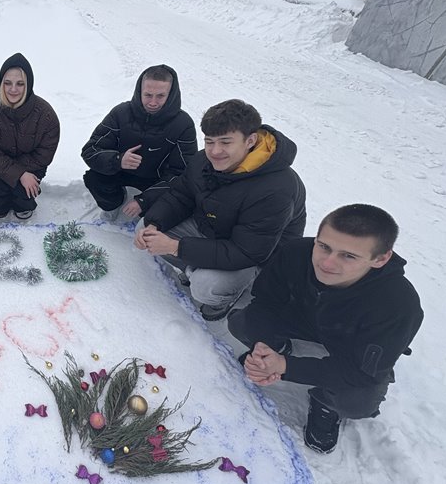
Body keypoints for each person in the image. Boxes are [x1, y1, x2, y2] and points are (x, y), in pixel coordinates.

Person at [228, 204, 423, 454]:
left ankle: (326, 403)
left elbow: (362, 373)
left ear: (380, 259)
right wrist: (264, 349)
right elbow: (265, 302)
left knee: (358, 400)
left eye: (348, 256)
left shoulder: (397, 304)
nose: (327, 262)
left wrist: (285, 366)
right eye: (324, 246)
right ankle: (277, 349)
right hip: (304, 318)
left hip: (351, 341)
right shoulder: (295, 253)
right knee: (244, 323)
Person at [135, 99, 306, 321]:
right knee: (145, 229)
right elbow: (180, 196)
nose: (215, 151)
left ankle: (227, 295)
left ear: (250, 140)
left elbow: (248, 252)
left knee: (206, 286)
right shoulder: (202, 161)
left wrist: (176, 247)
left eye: (226, 142)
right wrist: (154, 223)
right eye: (209, 141)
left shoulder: (276, 189)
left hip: (255, 257)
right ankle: (192, 268)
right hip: (213, 228)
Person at [81, 64, 196, 222]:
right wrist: (118, 160)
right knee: (94, 178)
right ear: (139, 91)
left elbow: (182, 173)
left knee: (171, 202)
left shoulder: (183, 124)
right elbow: (90, 150)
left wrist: (145, 200)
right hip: (120, 171)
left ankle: (146, 214)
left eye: (160, 96)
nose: (153, 102)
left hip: (156, 180)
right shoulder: (120, 113)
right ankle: (113, 204)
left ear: (171, 95)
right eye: (148, 95)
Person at [0, 53, 60, 220]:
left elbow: (45, 153)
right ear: (1, 84)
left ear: (29, 84)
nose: (13, 89)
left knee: (23, 201)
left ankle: (24, 199)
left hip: (31, 167)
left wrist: (24, 174)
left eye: (20, 84)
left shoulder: (46, 114)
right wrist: (18, 173)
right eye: (8, 83)